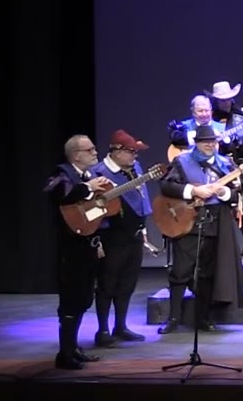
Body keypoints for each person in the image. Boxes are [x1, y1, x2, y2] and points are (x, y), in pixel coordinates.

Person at [156, 124, 243, 334]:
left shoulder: (226, 164)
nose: (210, 144)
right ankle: (173, 318)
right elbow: (166, 186)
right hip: (188, 221)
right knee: (181, 271)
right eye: (205, 141)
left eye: (213, 141)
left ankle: (203, 318)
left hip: (215, 222)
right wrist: (193, 190)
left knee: (208, 274)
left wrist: (225, 193)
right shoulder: (181, 162)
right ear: (196, 143)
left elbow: (238, 194)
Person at [44, 134, 112, 369]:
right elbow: (57, 193)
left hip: (88, 245)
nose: (95, 152)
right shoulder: (61, 172)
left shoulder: (90, 175)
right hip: (70, 249)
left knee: (84, 297)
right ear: (76, 155)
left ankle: (73, 348)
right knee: (72, 298)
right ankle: (64, 353)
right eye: (90, 150)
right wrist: (86, 187)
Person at [89, 129, 153, 348]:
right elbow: (91, 209)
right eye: (131, 151)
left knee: (127, 282)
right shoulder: (99, 172)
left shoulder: (135, 168)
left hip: (133, 235)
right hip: (111, 236)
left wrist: (143, 230)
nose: (135, 156)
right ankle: (103, 329)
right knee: (107, 283)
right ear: (116, 151)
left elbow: (142, 198)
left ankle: (121, 326)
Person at [208, 80, 243, 257]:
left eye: (229, 99)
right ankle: (220, 248)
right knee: (220, 205)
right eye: (222, 100)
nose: (226, 102)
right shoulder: (210, 118)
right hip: (218, 166)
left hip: (241, 164)